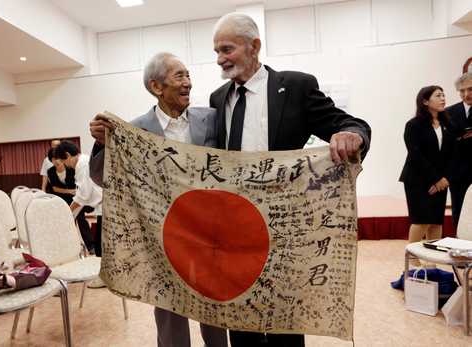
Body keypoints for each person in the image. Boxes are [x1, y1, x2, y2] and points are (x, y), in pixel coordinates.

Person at [210, 13, 371, 347]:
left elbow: (351, 124)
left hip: (285, 228)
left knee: (285, 319)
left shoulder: (296, 86)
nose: (220, 59)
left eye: (227, 49)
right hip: (235, 229)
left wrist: (350, 135)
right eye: (216, 51)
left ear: (254, 46)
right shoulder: (218, 98)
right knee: (241, 316)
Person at [88, 53, 228, 347]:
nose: (188, 82)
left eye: (189, 75)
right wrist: (101, 143)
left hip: (209, 234)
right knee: (170, 313)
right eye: (180, 76)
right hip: (163, 237)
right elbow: (102, 177)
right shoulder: (135, 129)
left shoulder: (213, 118)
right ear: (156, 86)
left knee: (215, 312)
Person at [399, 86, 453, 257]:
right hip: (417, 179)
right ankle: (413, 260)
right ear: (425, 101)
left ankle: (432, 259)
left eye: (443, 95)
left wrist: (445, 179)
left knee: (436, 223)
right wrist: (436, 179)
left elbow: (453, 155)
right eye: (438, 95)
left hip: (441, 181)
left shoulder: (448, 124)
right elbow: (416, 155)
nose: (443, 98)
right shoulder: (413, 125)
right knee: (421, 221)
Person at [46, 148, 95, 253]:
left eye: (58, 158)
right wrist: (69, 191)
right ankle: (69, 247)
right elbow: (54, 188)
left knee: (81, 219)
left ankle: (91, 246)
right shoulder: (50, 171)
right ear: (51, 160)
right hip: (60, 200)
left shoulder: (71, 168)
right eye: (53, 159)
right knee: (67, 223)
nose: (57, 161)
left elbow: (80, 187)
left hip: (76, 198)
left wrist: (75, 193)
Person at [447, 72, 472, 227]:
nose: (466, 94)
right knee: (459, 209)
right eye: (462, 91)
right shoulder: (448, 112)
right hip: (457, 173)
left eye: (470, 89)